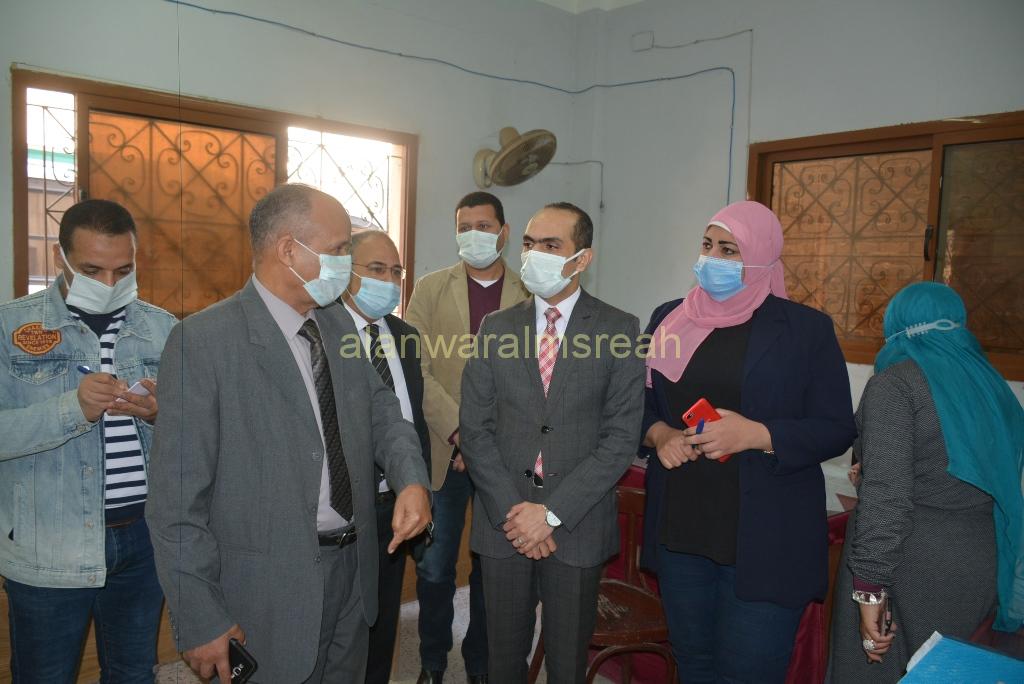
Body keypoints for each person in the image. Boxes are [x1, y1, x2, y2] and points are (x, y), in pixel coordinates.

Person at [146, 184, 432, 683]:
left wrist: (411, 479)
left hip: (354, 571)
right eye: (339, 249)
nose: (347, 263)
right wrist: (199, 615)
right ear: (288, 250)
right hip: (267, 592)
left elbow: (384, 413)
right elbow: (176, 501)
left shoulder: (337, 326)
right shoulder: (204, 343)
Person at [641, 200, 856, 683]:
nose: (711, 259)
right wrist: (660, 434)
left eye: (729, 249)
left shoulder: (805, 329)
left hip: (767, 537)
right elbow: (637, 403)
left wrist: (758, 434)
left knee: (749, 672)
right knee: (693, 663)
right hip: (682, 527)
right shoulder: (669, 318)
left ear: (761, 255)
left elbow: (837, 426)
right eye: (707, 245)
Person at [460, 202, 645, 683]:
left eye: (550, 245)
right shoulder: (496, 327)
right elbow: (475, 429)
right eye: (528, 243)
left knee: (567, 662)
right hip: (504, 522)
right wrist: (516, 514)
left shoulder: (619, 329)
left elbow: (620, 438)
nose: (533, 254)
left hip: (576, 523)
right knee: (503, 660)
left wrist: (551, 514)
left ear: (582, 258)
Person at [0, 199, 176, 682]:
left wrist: (161, 416)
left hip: (143, 540)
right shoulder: (9, 327)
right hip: (47, 541)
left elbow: (196, 439)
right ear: (60, 257)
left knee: (133, 673)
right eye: (92, 270)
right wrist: (71, 409)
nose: (109, 283)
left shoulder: (161, 328)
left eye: (124, 270)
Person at [826, 282, 1024, 681]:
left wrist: (869, 588)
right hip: (978, 564)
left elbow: (888, 497)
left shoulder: (897, 384)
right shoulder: (993, 387)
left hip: (908, 566)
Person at [405, 191, 529, 683]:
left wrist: (483, 442)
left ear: (504, 232)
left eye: (484, 226)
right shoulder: (431, 288)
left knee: (492, 566)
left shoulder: (530, 293)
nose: (473, 235)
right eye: (464, 227)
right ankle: (433, 660)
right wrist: (462, 433)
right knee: (435, 567)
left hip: (505, 454)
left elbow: (536, 380)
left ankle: (481, 662)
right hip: (445, 449)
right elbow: (416, 367)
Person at [339, 229, 432, 684]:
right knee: (342, 624)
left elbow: (412, 418)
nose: (389, 281)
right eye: (376, 269)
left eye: (396, 271)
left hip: (397, 503)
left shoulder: (405, 335)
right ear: (345, 272)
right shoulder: (321, 333)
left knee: (383, 618)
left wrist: (420, 484)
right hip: (345, 506)